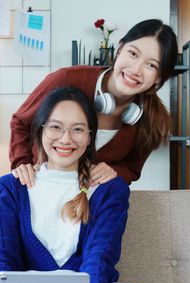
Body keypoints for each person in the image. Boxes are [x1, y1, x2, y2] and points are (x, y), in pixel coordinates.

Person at [0, 86, 130, 283]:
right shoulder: (11, 187)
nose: (65, 139)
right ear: (40, 130)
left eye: (78, 129)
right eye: (56, 127)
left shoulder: (109, 190)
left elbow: (100, 258)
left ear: (90, 136)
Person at [10, 19, 178, 187]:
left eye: (151, 65)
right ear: (119, 49)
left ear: (158, 78)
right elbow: (21, 122)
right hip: (40, 186)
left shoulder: (152, 119)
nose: (135, 70)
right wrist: (22, 164)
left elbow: (132, 169)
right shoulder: (66, 79)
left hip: (89, 202)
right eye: (133, 54)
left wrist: (114, 171)